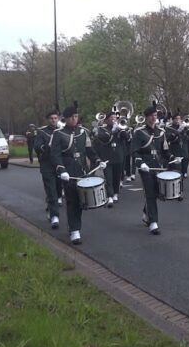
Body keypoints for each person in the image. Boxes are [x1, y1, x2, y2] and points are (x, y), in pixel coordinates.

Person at [50, 104, 106, 244]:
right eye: (72, 117)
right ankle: (75, 230)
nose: (75, 119)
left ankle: (73, 226)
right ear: (66, 119)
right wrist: (61, 170)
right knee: (72, 200)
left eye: (76, 116)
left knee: (80, 200)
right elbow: (55, 155)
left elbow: (89, 150)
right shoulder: (58, 134)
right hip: (68, 171)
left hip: (82, 170)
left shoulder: (83, 132)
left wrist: (98, 161)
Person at [132, 105, 173, 235]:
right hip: (146, 168)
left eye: (155, 115)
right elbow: (134, 152)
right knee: (150, 193)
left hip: (158, 166)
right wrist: (141, 163)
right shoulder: (139, 132)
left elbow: (165, 150)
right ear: (146, 117)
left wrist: (173, 157)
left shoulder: (160, 132)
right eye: (151, 116)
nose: (153, 118)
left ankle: (146, 213)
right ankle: (153, 222)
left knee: (156, 193)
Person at [34, 110, 63, 229]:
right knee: (51, 190)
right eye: (51, 118)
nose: (54, 120)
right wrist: (46, 147)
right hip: (47, 165)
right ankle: (54, 216)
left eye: (56, 118)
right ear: (48, 119)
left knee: (57, 189)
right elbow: (37, 146)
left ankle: (51, 205)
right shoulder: (42, 132)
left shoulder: (62, 131)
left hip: (60, 165)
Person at [93, 112, 125, 207]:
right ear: (106, 119)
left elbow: (126, 138)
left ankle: (116, 193)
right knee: (109, 177)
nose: (114, 120)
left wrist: (123, 130)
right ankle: (110, 196)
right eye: (112, 118)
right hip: (107, 157)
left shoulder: (120, 128)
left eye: (115, 118)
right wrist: (113, 132)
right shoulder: (102, 129)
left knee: (117, 176)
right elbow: (104, 139)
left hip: (118, 156)